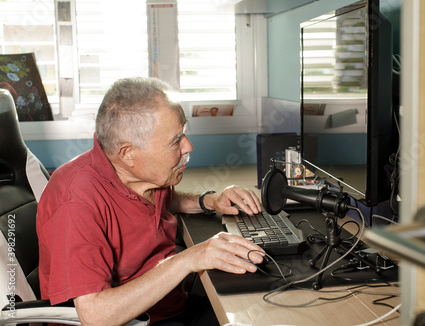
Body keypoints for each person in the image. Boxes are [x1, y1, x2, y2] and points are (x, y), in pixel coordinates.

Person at [36, 77, 265, 326]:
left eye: (184, 133)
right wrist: (190, 258)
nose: (188, 146)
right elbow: (95, 316)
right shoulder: (76, 201)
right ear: (128, 153)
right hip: (135, 321)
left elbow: (165, 201)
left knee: (260, 313)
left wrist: (210, 201)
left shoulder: (143, 178)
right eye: (176, 140)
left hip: (170, 307)